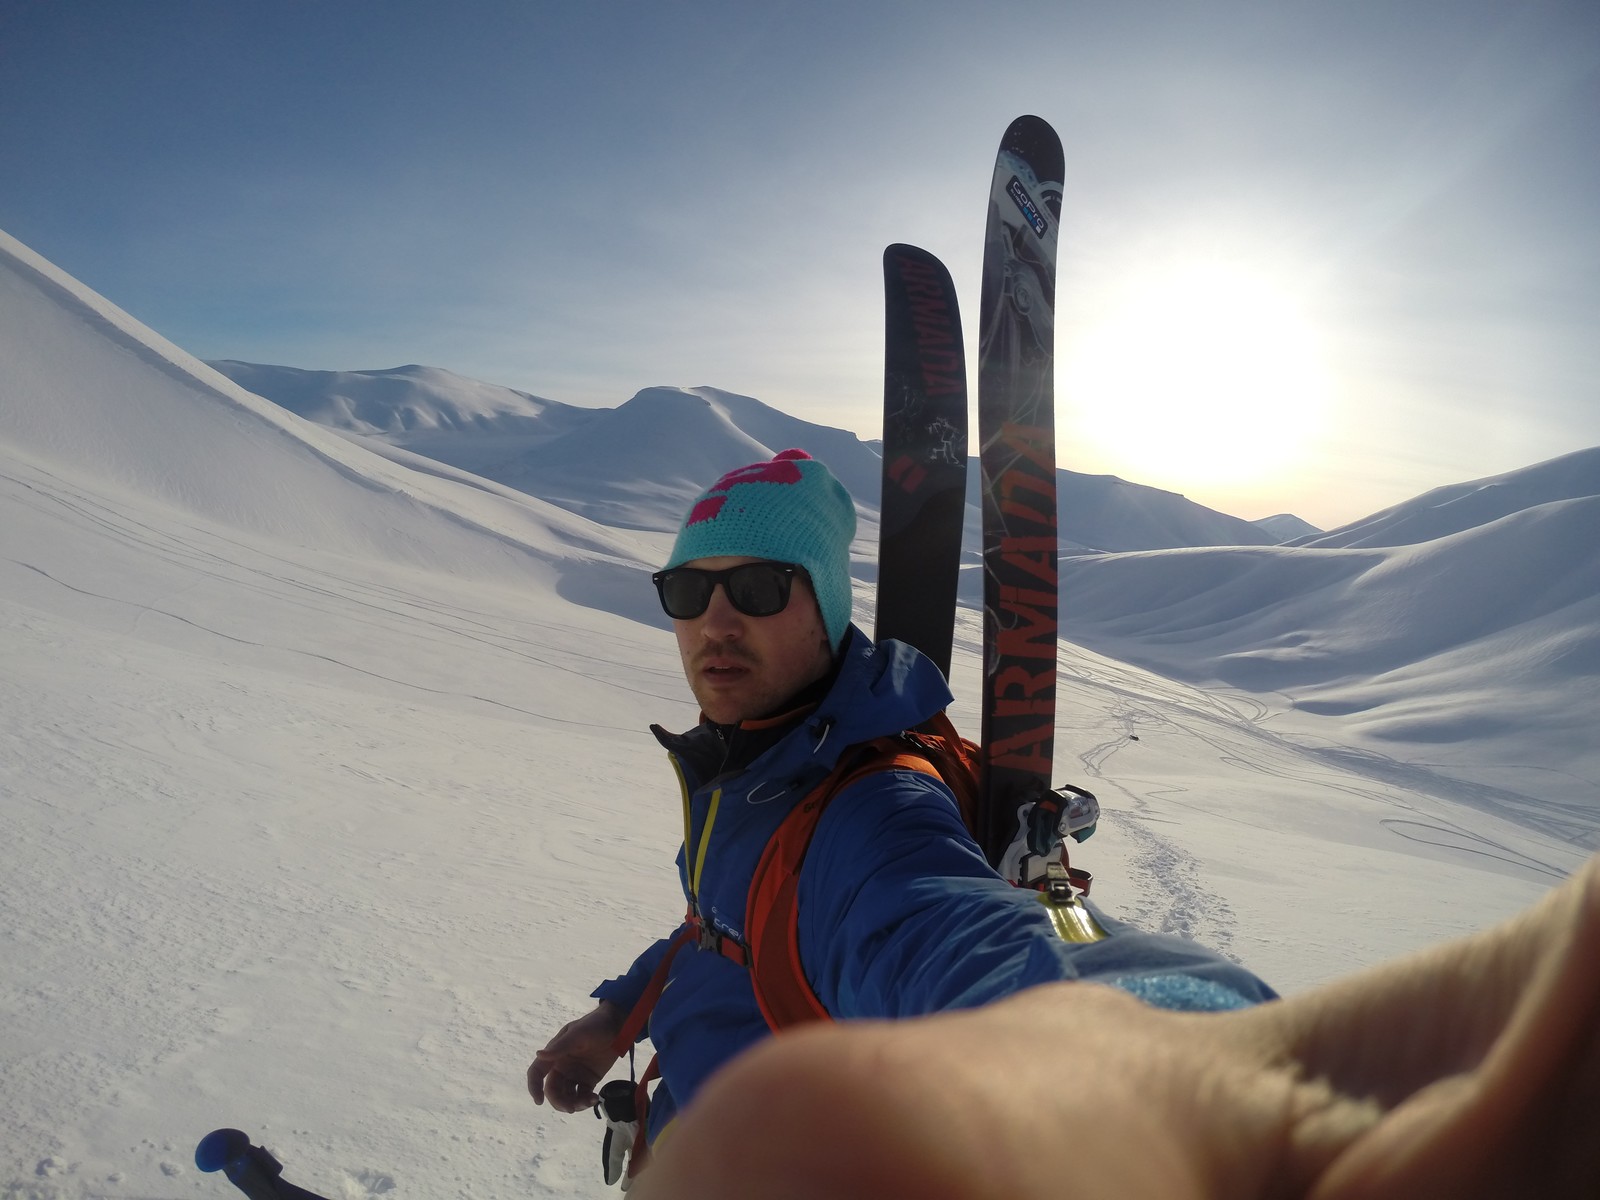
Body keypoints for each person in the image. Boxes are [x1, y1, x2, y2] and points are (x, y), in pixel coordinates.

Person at [528, 449, 1276, 1162]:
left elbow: (938, 930)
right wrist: (616, 1013)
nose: (716, 624)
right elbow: (720, 922)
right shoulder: (747, 763)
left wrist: (1190, 1069)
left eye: (758, 588)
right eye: (689, 592)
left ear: (826, 608)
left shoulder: (873, 806)